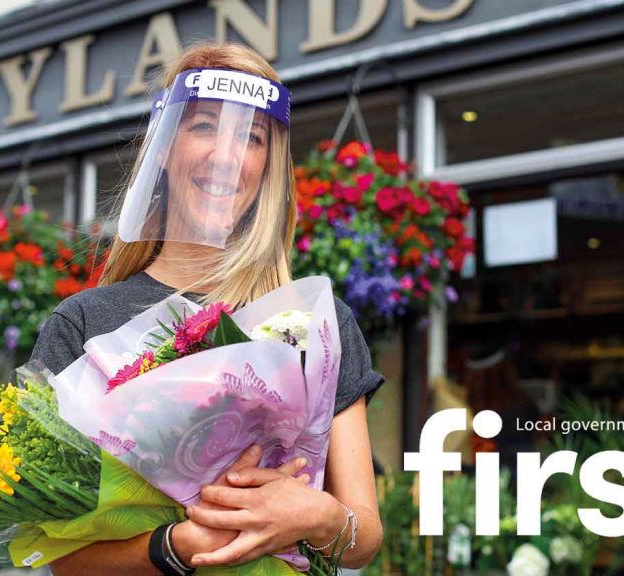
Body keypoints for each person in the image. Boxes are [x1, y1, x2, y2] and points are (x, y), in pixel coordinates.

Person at [31, 42, 384, 575]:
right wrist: (177, 546)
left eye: (251, 137)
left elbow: (364, 537)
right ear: (165, 149)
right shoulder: (82, 325)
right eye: (203, 127)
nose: (225, 154)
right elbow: (59, 561)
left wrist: (320, 517)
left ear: (267, 165)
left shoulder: (316, 324)